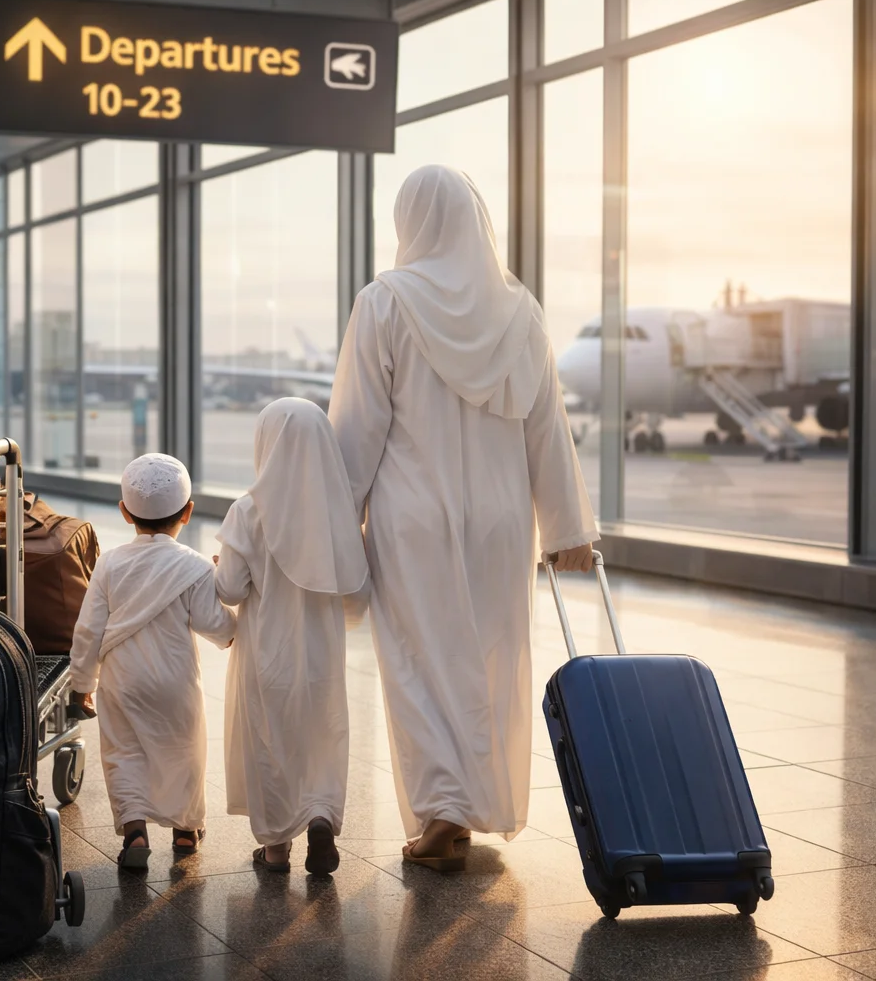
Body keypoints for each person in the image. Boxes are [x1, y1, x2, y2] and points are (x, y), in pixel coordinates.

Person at [329, 165, 599, 872]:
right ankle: (480, 801)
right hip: (505, 519)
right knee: (493, 658)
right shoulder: (522, 310)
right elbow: (548, 429)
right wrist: (568, 527)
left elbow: (358, 428)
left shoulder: (384, 301)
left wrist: (334, 525)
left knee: (420, 659)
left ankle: (441, 810)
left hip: (413, 515)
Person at [215, 397, 369, 876]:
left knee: (271, 741)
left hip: (268, 654)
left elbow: (230, 588)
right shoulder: (339, 512)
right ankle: (321, 815)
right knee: (322, 733)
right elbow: (356, 594)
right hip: (322, 652)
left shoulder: (247, 510)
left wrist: (221, 566)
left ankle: (276, 850)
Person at [68, 453, 236, 870]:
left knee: (124, 752)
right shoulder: (194, 566)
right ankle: (184, 831)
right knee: (183, 750)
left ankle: (135, 828)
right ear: (189, 512)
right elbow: (218, 628)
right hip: (176, 680)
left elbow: (88, 629)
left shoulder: (109, 563)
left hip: (122, 680)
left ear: (124, 513)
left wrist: (82, 683)